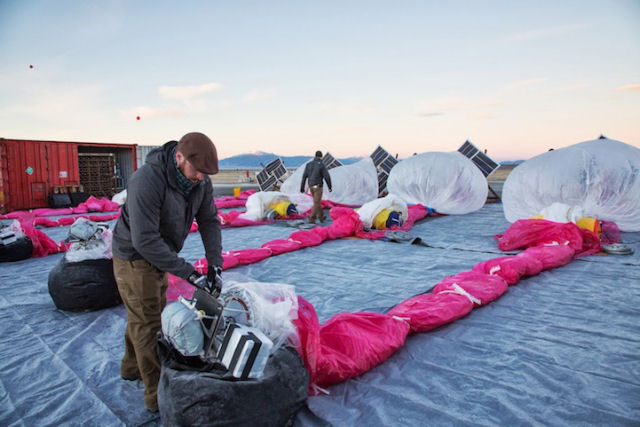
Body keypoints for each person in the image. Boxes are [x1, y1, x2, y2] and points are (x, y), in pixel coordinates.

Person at [111, 132, 223, 412]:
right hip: (135, 257)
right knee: (149, 324)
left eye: (205, 174)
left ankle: (130, 367)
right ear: (179, 157)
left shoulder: (199, 182)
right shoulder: (147, 179)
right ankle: (156, 396)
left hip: (162, 253)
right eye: (197, 171)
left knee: (143, 313)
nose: (200, 177)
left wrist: (215, 264)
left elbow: (209, 220)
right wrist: (188, 272)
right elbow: (145, 240)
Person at [300, 150, 332, 223]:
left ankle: (321, 216)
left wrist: (302, 187)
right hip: (318, 187)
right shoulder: (321, 164)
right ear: (321, 156)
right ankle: (311, 219)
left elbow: (304, 176)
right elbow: (327, 176)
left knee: (317, 202)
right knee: (316, 203)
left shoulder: (308, 164)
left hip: (311, 186)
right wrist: (330, 187)